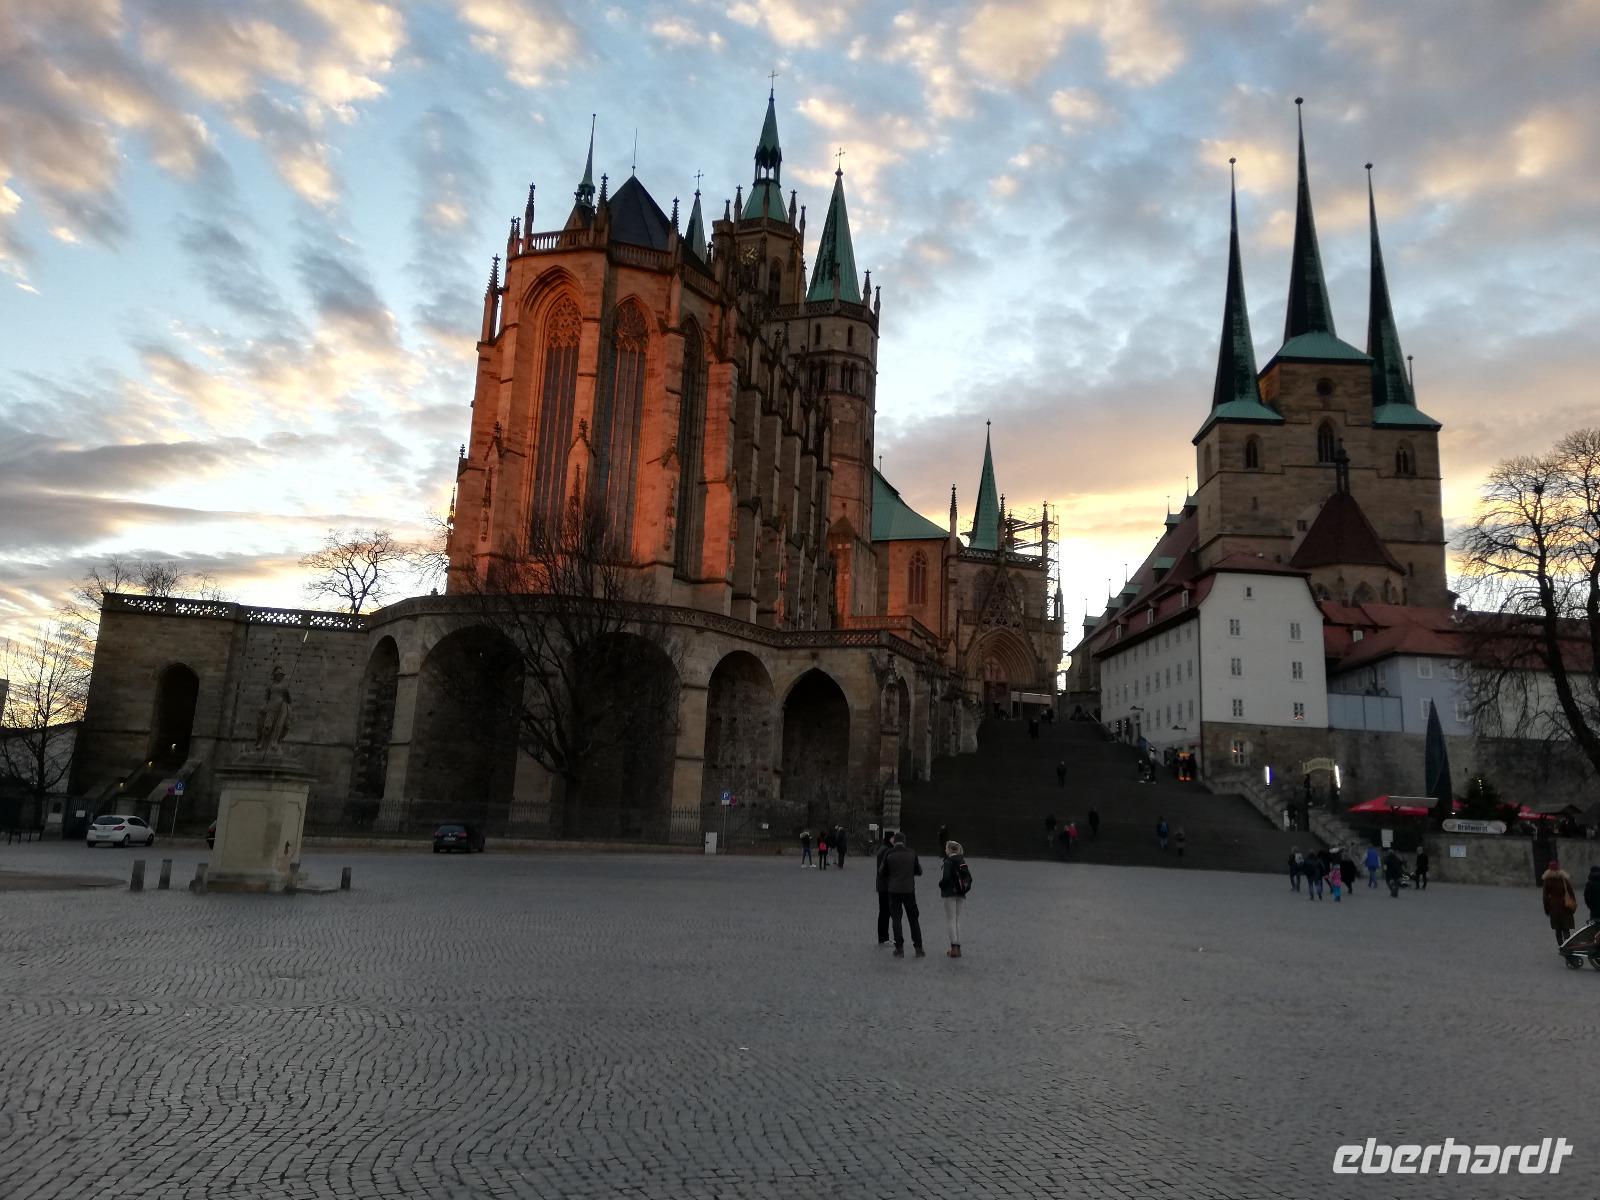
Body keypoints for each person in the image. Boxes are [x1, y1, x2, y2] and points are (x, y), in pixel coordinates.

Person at [883, 832, 925, 957]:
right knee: (913, 919)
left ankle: (899, 948)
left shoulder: (889, 853)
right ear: (904, 841)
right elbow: (919, 871)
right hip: (908, 890)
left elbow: (882, 871)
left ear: (894, 841)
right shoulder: (912, 853)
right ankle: (918, 947)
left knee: (896, 919)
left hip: (894, 890)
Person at [939, 840, 969, 958]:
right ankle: (959, 948)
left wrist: (940, 884)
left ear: (949, 849)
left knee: (950, 919)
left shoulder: (948, 861)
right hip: (961, 893)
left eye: (946, 848)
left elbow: (946, 878)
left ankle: (954, 948)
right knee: (957, 919)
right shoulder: (962, 860)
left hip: (949, 893)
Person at [1542, 858, 1578, 947]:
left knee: (1558, 929)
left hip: (1554, 907)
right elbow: (1571, 893)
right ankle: (1568, 946)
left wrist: (1547, 909)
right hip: (1565, 906)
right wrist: (1572, 908)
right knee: (1566, 928)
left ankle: (1561, 946)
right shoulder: (1564, 879)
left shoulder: (1547, 881)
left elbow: (1545, 898)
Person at [874, 830, 895, 944]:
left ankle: (883, 937)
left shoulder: (884, 848)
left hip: (883, 885)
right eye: (893, 838)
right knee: (885, 912)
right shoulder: (886, 850)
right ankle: (883, 937)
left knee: (884, 912)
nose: (894, 840)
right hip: (885, 886)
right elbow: (885, 870)